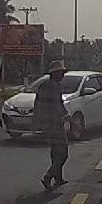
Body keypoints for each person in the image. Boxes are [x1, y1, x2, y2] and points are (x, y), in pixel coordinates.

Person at [34, 61, 70, 190]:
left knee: (55, 152)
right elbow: (57, 104)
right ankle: (49, 176)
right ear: (55, 74)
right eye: (61, 73)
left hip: (46, 123)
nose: (62, 75)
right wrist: (66, 116)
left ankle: (58, 178)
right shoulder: (54, 86)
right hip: (55, 123)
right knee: (63, 153)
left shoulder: (44, 85)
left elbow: (37, 104)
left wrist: (37, 122)